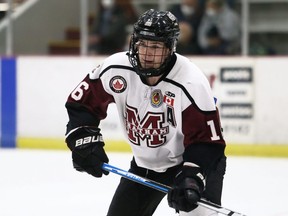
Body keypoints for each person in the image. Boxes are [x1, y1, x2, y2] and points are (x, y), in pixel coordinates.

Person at [65, 9, 226, 216]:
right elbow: (82, 104)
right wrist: (83, 141)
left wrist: (191, 179)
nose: (147, 54)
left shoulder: (191, 81)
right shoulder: (116, 68)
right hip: (146, 166)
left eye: (156, 47)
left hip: (192, 163)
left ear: (170, 49)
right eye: (142, 44)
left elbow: (206, 141)